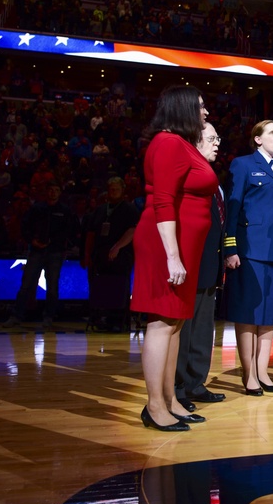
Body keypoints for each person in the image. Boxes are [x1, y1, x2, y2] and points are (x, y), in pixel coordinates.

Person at [130, 85, 214, 431]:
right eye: (200, 107)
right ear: (182, 109)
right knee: (161, 323)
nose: (206, 113)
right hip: (166, 245)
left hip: (181, 247)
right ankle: (154, 407)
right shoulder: (167, 143)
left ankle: (170, 399)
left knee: (175, 324)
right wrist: (173, 256)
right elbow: (164, 202)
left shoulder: (179, 144)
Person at [224, 120, 273, 396]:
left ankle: (263, 370)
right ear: (257, 139)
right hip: (250, 250)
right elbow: (232, 206)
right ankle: (249, 374)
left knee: (270, 314)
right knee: (248, 312)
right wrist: (230, 247)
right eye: (271, 132)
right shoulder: (243, 165)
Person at [175, 123, 226, 411]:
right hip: (189, 264)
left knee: (204, 329)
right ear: (194, 142)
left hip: (210, 266)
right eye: (211, 139)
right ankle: (178, 386)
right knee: (184, 330)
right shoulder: (188, 175)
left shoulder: (213, 178)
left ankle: (196, 382)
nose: (217, 143)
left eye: (218, 138)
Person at [4, 181, 77, 329]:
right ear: (47, 191)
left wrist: (60, 244)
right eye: (51, 189)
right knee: (26, 285)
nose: (53, 193)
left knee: (52, 286)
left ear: (60, 193)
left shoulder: (65, 211)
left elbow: (70, 231)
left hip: (55, 253)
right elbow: (25, 226)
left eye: (56, 190)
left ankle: (49, 317)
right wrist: (32, 241)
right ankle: (16, 316)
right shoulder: (37, 208)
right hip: (36, 251)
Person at [82, 176, 138, 332]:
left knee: (119, 287)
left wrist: (117, 247)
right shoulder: (100, 209)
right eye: (111, 189)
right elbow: (91, 233)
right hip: (100, 255)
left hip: (121, 256)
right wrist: (87, 255)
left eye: (116, 189)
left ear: (122, 191)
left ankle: (118, 320)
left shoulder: (129, 209)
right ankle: (100, 318)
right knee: (100, 286)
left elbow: (133, 230)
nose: (113, 192)